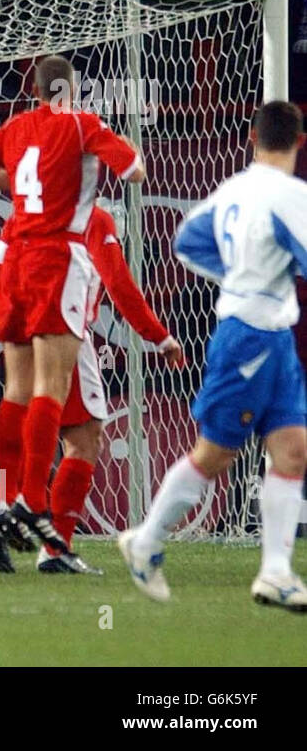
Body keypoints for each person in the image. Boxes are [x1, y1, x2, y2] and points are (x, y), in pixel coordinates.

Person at [122, 101, 307, 610]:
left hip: (273, 336)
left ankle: (275, 571)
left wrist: (238, 272)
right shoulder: (291, 196)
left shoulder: (232, 189)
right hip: (249, 335)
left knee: (292, 450)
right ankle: (146, 540)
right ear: (300, 142)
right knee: (215, 454)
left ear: (251, 138)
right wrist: (249, 282)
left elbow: (187, 242)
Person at [0, 55, 144, 551]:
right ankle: (33, 504)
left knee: (16, 389)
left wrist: (19, 179)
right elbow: (134, 170)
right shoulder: (83, 123)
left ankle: (5, 501)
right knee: (51, 388)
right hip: (57, 255)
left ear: (35, 88)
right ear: (73, 88)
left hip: (14, 258)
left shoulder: (15, 127)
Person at [0, 203, 184, 574]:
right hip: (64, 328)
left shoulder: (20, 215)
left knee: (21, 414)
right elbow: (118, 283)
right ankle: (56, 549)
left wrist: (11, 323)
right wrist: (159, 336)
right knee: (85, 437)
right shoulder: (94, 217)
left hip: (20, 319)